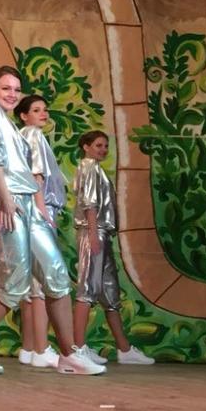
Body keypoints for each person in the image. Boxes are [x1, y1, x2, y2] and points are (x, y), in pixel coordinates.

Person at [0, 67, 103, 376]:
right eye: (5, 88)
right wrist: (5, 198)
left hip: (26, 203)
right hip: (6, 203)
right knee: (13, 283)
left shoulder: (6, 121)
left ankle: (69, 355)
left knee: (57, 276)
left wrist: (34, 208)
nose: (12, 94)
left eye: (16, 89)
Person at [72, 130, 155, 366]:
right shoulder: (88, 167)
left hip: (102, 233)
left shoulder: (96, 169)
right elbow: (89, 202)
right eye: (98, 145)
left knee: (110, 292)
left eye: (106, 146)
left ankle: (124, 349)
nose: (103, 150)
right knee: (87, 288)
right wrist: (92, 233)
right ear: (86, 147)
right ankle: (78, 348)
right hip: (94, 231)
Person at [14, 94, 67, 369]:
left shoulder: (20, 135)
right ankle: (42, 348)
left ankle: (28, 348)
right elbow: (36, 176)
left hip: (28, 210)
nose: (43, 114)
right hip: (39, 208)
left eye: (45, 110)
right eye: (36, 110)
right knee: (45, 282)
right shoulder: (33, 135)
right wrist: (43, 212)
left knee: (31, 283)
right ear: (24, 115)